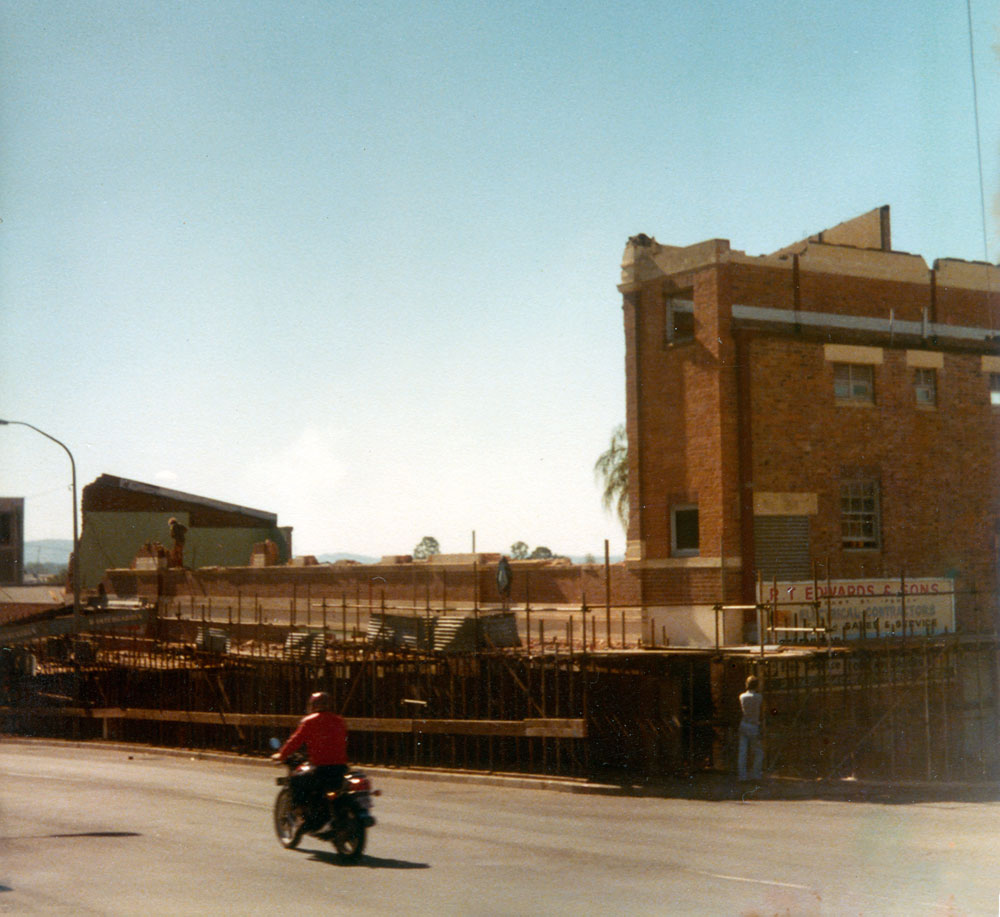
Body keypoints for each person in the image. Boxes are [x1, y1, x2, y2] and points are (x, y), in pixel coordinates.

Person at [272, 691, 349, 823]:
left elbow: (295, 741)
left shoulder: (309, 721)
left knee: (295, 780)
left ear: (313, 705)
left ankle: (301, 813)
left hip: (320, 769)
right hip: (341, 768)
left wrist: (281, 755)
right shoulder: (339, 720)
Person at [737, 675, 764, 781]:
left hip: (744, 724)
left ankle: (742, 776)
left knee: (742, 751)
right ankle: (756, 775)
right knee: (758, 752)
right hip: (754, 725)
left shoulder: (742, 696)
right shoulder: (759, 697)